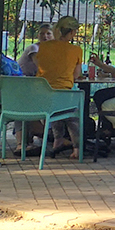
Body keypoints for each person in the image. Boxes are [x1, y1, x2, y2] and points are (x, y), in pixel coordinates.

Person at [34, 16, 85, 157]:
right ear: (72, 32)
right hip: (63, 95)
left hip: (41, 96)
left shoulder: (43, 47)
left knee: (56, 106)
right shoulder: (76, 50)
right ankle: (77, 149)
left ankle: (58, 140)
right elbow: (76, 75)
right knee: (73, 115)